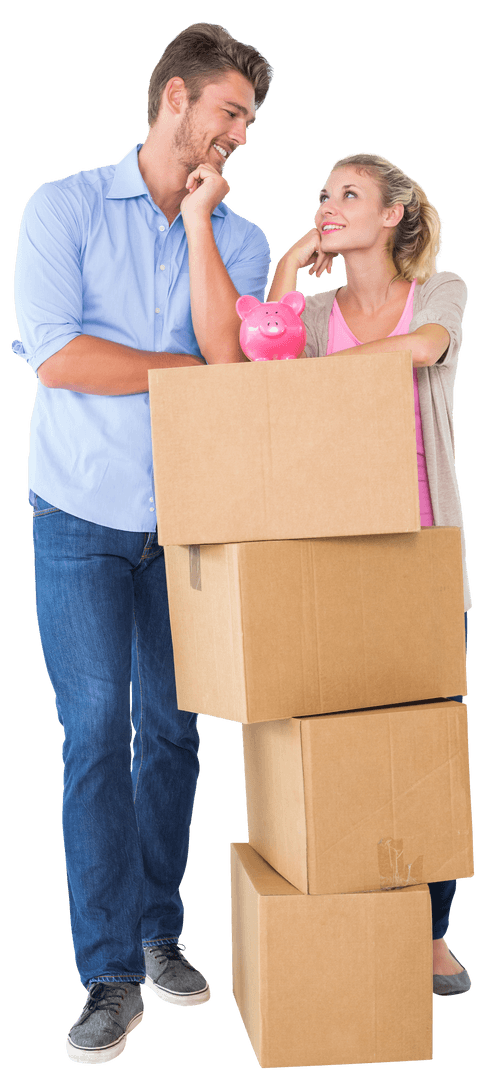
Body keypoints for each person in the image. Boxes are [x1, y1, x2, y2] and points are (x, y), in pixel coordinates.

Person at [12, 22, 273, 1065]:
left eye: (249, 124)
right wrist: (187, 375)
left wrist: (204, 226)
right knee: (95, 731)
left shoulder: (239, 237)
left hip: (190, 524)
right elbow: (59, 355)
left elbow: (227, 356)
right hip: (77, 512)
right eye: (229, 114)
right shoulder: (62, 206)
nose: (240, 136)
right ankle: (108, 971)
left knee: (173, 733)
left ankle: (162, 933)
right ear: (175, 97)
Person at [268, 151, 472, 998]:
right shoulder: (313, 314)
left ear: (392, 214)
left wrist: (318, 379)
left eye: (348, 194)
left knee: (427, 745)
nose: (328, 204)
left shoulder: (442, 291)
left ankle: (430, 936)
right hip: (334, 549)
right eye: (321, 194)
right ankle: (348, 919)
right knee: (341, 742)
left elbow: (421, 352)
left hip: (421, 546)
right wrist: (286, 266)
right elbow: (264, 373)